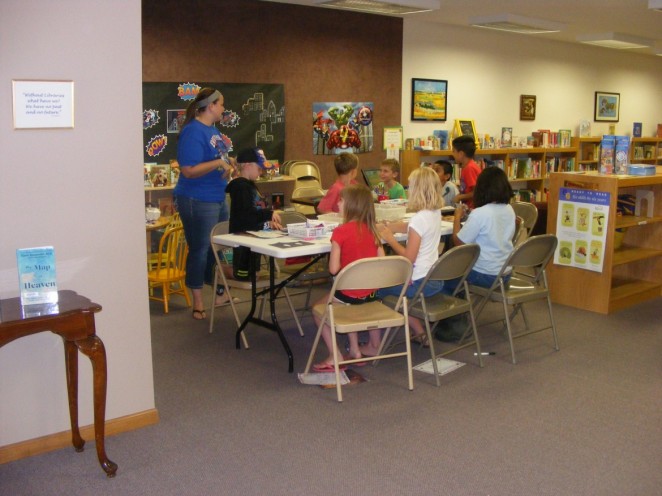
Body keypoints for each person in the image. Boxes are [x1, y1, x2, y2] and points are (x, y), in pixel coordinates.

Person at [362, 167, 444, 353]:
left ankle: (374, 344)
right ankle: (420, 333)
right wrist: (389, 226)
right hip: (433, 278)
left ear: (418, 190)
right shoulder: (433, 213)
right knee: (400, 296)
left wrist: (390, 239)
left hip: (417, 282)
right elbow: (409, 226)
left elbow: (408, 258)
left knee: (374, 287)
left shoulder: (419, 220)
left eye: (411, 186)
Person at [175, 87, 235, 320]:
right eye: (220, 104)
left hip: (217, 196)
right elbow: (188, 171)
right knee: (200, 249)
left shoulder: (213, 129)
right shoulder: (193, 132)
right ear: (210, 106)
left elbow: (215, 158)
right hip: (197, 199)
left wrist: (227, 162)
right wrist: (217, 164)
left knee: (219, 249)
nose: (223, 108)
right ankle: (198, 303)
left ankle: (220, 294)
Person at [436, 166, 516, 343]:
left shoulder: (481, 213)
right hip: (505, 273)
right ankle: (458, 312)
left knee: (443, 275)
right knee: (454, 269)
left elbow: (458, 242)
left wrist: (458, 216)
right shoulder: (509, 209)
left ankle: (453, 322)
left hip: (485, 275)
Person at [312, 184, 385, 372]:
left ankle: (334, 354)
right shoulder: (373, 230)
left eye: (342, 200)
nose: (338, 203)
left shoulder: (340, 232)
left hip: (348, 295)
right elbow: (382, 262)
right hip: (370, 295)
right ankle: (355, 351)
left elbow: (334, 269)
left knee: (317, 310)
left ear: (351, 205)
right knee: (349, 305)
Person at [225, 148, 282, 280]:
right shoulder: (240, 187)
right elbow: (246, 216)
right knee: (244, 276)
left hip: (254, 237)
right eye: (259, 168)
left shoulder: (250, 185)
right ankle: (220, 271)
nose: (261, 172)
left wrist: (267, 223)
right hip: (243, 240)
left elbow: (254, 212)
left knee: (254, 275)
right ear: (247, 165)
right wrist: (268, 214)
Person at [451, 135, 481, 208]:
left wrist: (460, 197)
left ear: (461, 154)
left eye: (454, 151)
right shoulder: (467, 166)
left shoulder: (469, 168)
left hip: (473, 208)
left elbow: (476, 192)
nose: (452, 154)